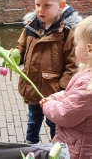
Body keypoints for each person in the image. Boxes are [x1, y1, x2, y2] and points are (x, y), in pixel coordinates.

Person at [15, 0, 82, 144]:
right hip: (33, 88)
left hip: (54, 94)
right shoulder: (31, 26)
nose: (39, 10)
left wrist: (61, 90)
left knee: (54, 125)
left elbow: (72, 65)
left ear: (61, 5)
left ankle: (56, 149)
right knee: (33, 121)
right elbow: (21, 47)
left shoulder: (68, 32)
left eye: (46, 5)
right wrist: (12, 57)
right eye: (37, 4)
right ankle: (31, 146)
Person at [40, 15, 92, 159]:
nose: (74, 48)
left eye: (76, 44)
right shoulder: (87, 71)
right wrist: (55, 96)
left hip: (78, 150)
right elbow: (72, 94)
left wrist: (48, 105)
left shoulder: (89, 86)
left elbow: (66, 114)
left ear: (89, 49)